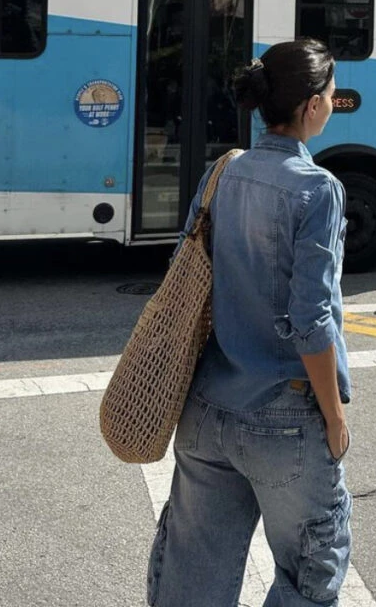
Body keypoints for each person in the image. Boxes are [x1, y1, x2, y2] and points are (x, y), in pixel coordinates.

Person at [147, 38, 352, 607]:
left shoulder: (224, 172)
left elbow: (185, 275)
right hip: (284, 415)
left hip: (207, 406)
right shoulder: (319, 189)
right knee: (311, 573)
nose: (334, 104)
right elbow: (311, 319)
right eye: (332, 95)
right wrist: (334, 417)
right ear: (312, 106)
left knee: (193, 574)